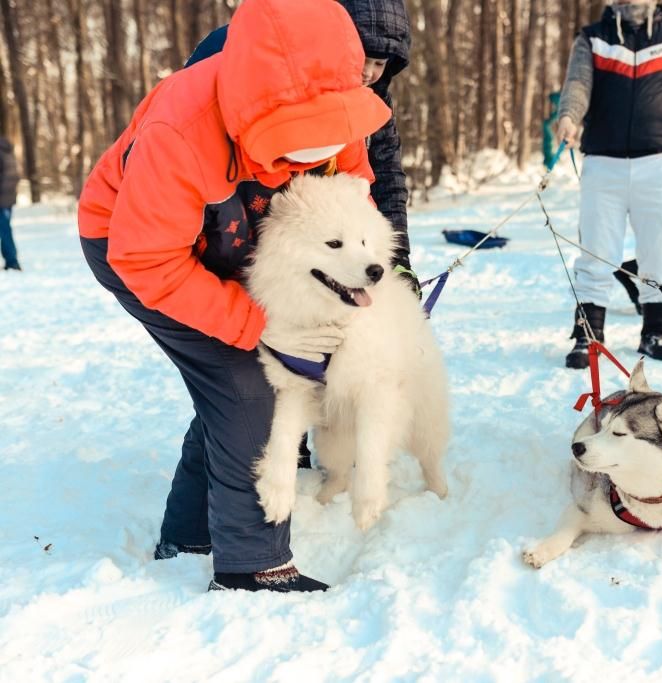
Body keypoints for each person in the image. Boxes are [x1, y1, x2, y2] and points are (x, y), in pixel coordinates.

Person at [77, 0, 393, 592]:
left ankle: (191, 533)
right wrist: (256, 323)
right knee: (252, 384)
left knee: (231, 388)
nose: (312, 155)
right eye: (296, 141)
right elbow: (147, 258)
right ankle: (252, 566)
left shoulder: (337, 118)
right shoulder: (182, 129)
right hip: (138, 249)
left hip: (232, 243)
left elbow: (354, 203)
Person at [184, 0, 415, 294]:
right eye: (361, 57)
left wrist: (396, 259)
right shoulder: (262, 63)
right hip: (232, 202)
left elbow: (385, 176)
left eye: (380, 63)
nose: (367, 72)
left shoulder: (370, 99)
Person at [556, 0, 662, 369]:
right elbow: (577, 85)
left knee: (659, 249)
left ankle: (657, 331)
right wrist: (570, 117)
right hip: (602, 163)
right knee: (596, 249)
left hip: (657, 163)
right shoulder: (593, 39)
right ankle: (589, 335)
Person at [0, 135, 20, 271]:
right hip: (7, 198)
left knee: (5, 230)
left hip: (2, 198)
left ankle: (12, 262)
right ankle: (11, 260)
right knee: (5, 229)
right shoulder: (6, 149)